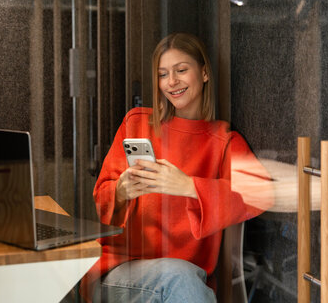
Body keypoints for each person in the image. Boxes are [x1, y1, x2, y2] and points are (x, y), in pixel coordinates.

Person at [80, 32, 273, 302]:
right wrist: (121, 191)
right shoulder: (137, 123)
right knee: (178, 277)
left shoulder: (224, 141)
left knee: (180, 278)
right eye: (162, 74)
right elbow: (101, 202)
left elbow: (261, 194)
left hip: (185, 281)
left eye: (181, 70)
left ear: (204, 73)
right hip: (118, 272)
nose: (172, 82)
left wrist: (190, 187)